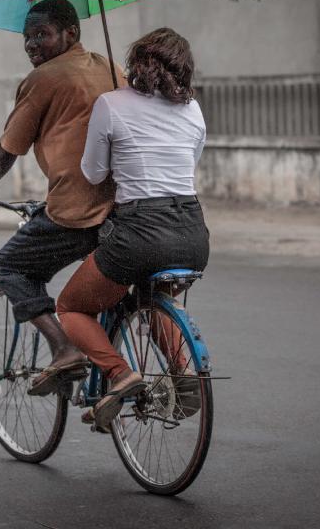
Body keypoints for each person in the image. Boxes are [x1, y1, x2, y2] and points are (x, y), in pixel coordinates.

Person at [0, 0, 124, 396]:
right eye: (27, 37)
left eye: (42, 35)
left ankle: (64, 348)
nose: (32, 44)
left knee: (12, 267)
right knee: (122, 287)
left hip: (77, 210)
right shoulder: (111, 67)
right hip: (125, 205)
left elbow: (10, 145)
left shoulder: (43, 79)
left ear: (71, 33)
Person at [55, 27, 210, 431]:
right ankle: (183, 372)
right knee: (151, 296)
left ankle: (119, 373)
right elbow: (188, 162)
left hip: (140, 232)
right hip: (193, 232)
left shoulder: (111, 103)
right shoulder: (193, 110)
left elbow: (93, 172)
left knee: (71, 307)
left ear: (137, 62)